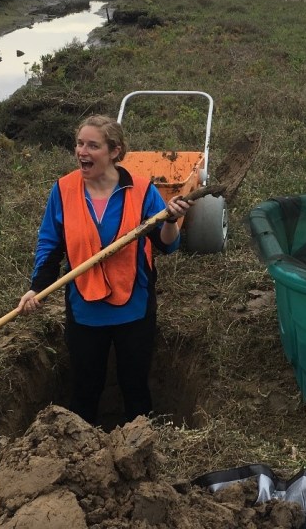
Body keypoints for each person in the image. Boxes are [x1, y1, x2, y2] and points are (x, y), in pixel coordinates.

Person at [17, 114, 190, 426]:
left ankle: (140, 449)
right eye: (80, 143)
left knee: (135, 388)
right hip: (84, 310)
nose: (82, 151)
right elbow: (51, 244)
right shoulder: (64, 190)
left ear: (114, 151)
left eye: (92, 145)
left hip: (134, 307)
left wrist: (170, 221)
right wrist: (36, 287)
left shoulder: (141, 190)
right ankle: (81, 450)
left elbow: (166, 245)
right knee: (85, 389)